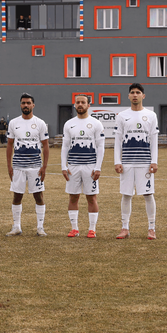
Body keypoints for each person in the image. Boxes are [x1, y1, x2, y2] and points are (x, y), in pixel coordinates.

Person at [115, 83, 159, 240]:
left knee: (148, 194)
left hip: (145, 163)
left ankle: (151, 228)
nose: (135, 95)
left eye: (138, 92)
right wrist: (117, 161)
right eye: (132, 92)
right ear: (128, 96)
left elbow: (154, 140)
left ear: (143, 96)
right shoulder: (122, 116)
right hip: (126, 163)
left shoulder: (151, 115)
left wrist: (154, 161)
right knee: (126, 195)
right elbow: (118, 140)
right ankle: (125, 227)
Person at [61, 94, 105, 238]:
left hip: (90, 166)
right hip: (73, 167)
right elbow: (65, 146)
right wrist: (63, 166)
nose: (80, 104)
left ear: (88, 105)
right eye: (77, 102)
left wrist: (98, 167)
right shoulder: (69, 124)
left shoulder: (96, 123)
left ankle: (92, 229)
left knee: (91, 197)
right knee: (73, 197)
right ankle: (74, 229)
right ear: (74, 105)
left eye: (83, 102)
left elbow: (100, 147)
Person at [6, 93, 49, 236]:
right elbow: (9, 145)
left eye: (28, 103)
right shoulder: (13, 123)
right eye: (23, 103)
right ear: (20, 105)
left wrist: (44, 167)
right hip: (18, 166)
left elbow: (46, 146)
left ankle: (40, 227)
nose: (26, 105)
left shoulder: (40, 123)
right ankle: (16, 226)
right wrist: (9, 166)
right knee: (17, 196)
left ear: (33, 105)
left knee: (38, 195)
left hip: (35, 167)